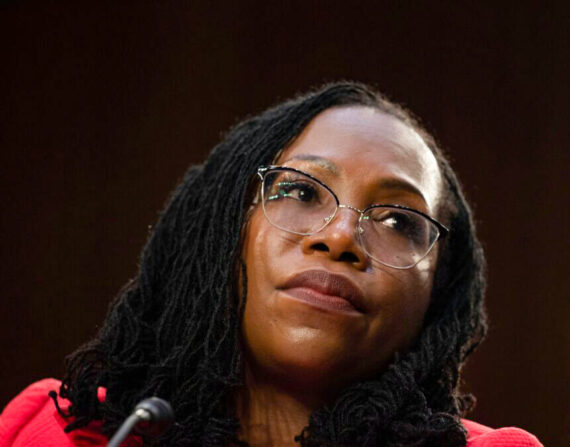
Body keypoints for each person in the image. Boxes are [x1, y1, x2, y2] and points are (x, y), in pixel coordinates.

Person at [0, 82, 542, 446]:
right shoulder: (48, 430)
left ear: (438, 293)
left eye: (399, 221)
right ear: (219, 228)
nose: (340, 238)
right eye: (301, 191)